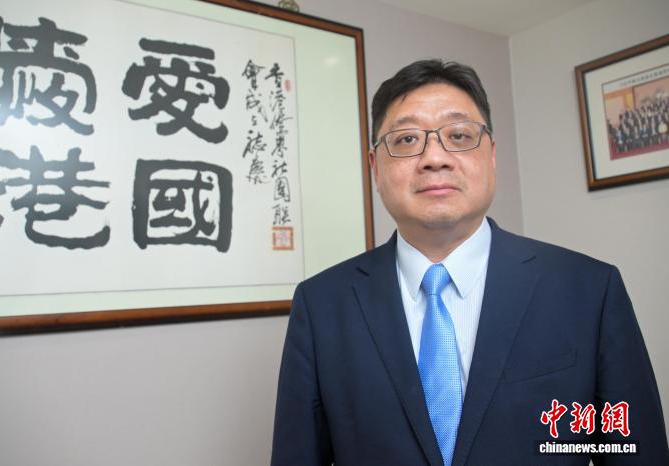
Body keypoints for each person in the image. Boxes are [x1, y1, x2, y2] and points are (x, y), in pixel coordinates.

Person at [270, 59, 669, 466]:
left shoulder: (589, 290)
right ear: (375, 167)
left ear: (491, 155)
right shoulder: (321, 305)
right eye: (406, 139)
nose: (434, 158)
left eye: (459, 135)